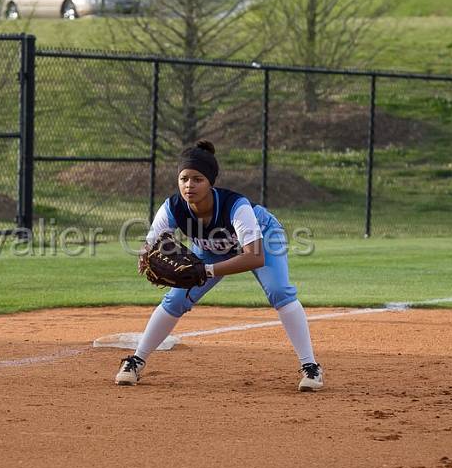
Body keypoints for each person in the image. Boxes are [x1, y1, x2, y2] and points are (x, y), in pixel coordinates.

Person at [116, 140, 324, 392]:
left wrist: (206, 271)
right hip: (210, 248)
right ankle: (136, 361)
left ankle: (310, 366)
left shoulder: (235, 206)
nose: (189, 185)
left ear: (210, 182)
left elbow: (255, 257)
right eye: (184, 178)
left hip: (264, 238)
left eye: (197, 179)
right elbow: (150, 244)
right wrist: (145, 255)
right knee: (175, 300)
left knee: (280, 292)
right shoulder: (172, 207)